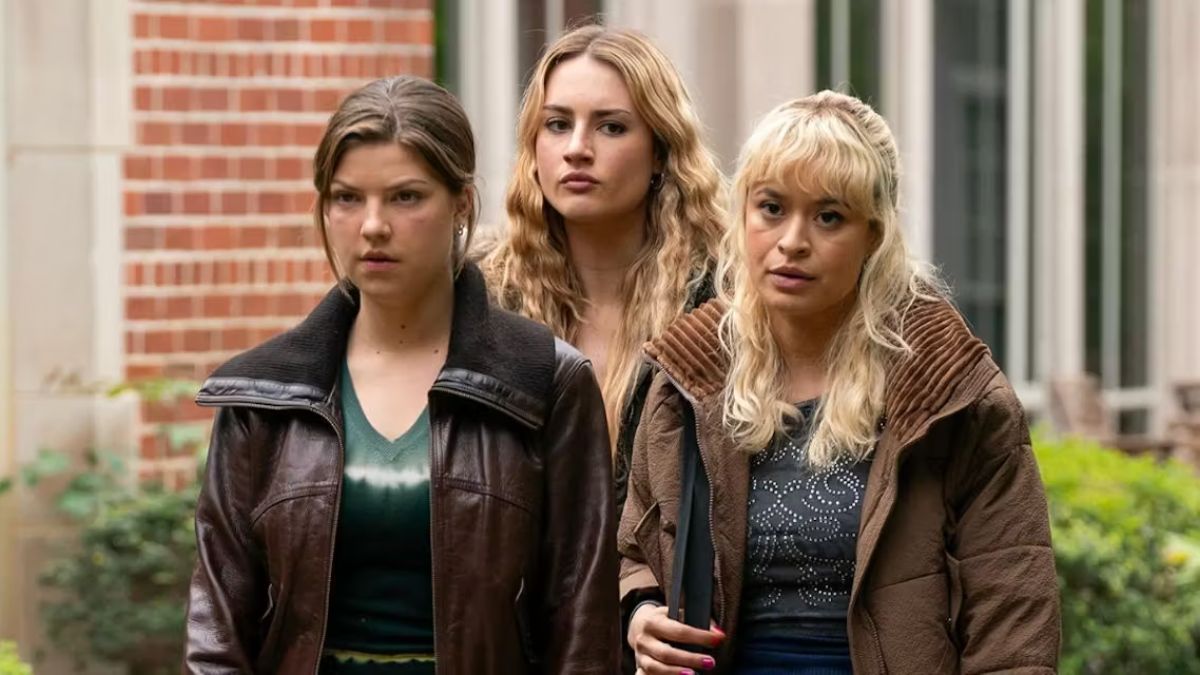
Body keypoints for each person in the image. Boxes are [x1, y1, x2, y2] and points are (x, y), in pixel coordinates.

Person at [184, 75, 619, 675]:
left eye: (405, 197)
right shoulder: (263, 397)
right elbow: (217, 633)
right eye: (347, 198)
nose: (372, 226)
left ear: (462, 204)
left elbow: (582, 628)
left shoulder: (545, 382)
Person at [618, 91, 1060, 674]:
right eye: (771, 208)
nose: (793, 240)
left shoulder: (950, 388)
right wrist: (640, 612)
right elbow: (636, 549)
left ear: (874, 237)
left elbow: (1014, 607)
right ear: (742, 215)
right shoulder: (689, 374)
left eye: (829, 217)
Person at [481, 25, 726, 512]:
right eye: (556, 124)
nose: (577, 148)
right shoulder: (486, 298)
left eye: (610, 126)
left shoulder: (720, 302)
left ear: (660, 151)